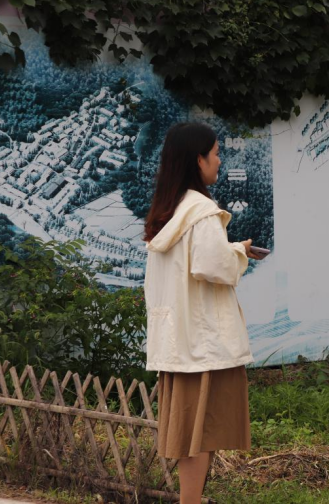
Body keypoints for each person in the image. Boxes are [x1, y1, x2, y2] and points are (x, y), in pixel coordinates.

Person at [143, 122, 263, 503]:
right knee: (200, 437)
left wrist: (231, 248)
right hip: (203, 344)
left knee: (190, 437)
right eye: (215, 153)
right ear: (198, 160)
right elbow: (213, 266)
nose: (219, 160)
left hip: (179, 341)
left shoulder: (169, 211)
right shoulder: (201, 211)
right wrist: (239, 252)